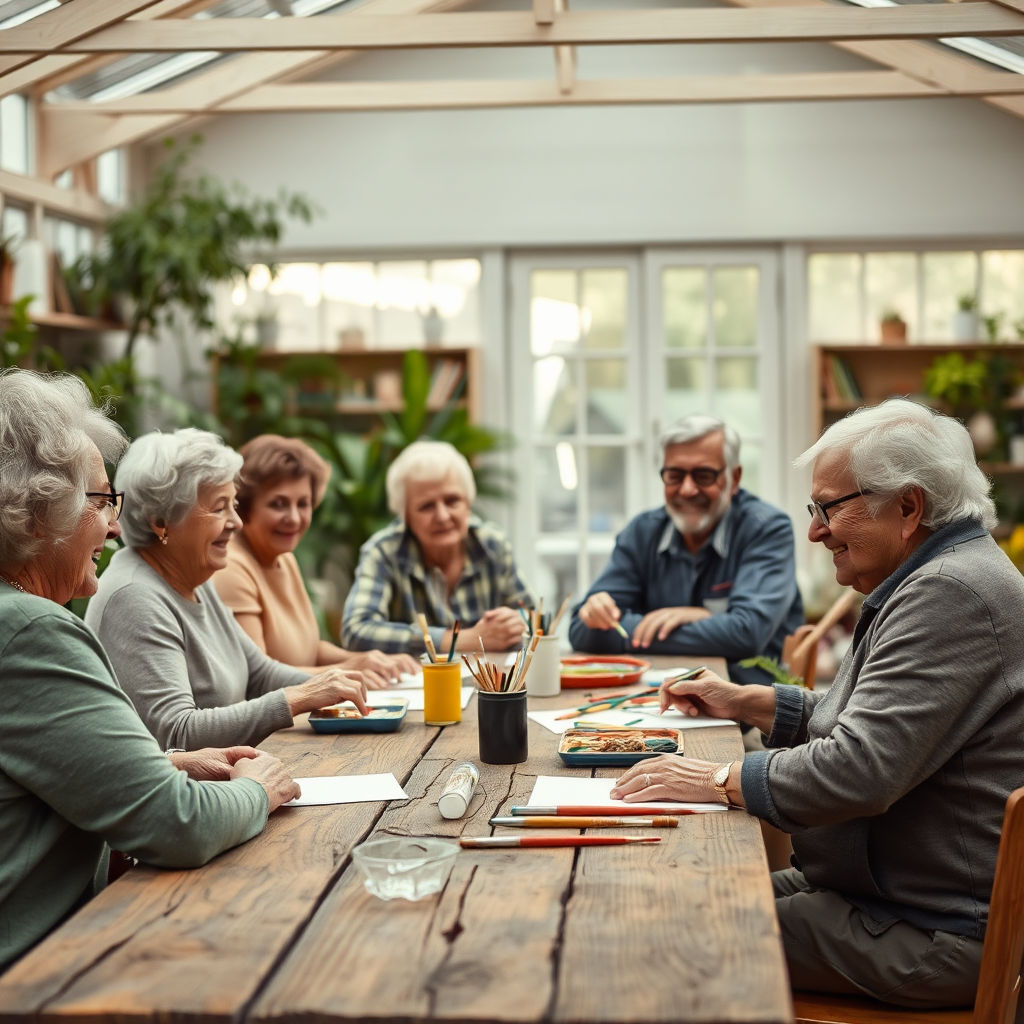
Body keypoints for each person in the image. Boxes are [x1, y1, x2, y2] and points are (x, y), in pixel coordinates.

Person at [610, 399, 1024, 1009]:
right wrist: (751, 703)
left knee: (668, 926)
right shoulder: (940, 574)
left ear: (908, 507)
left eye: (830, 507)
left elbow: (859, 768)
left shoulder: (949, 592)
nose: (815, 529)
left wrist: (717, 777)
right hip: (884, 892)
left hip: (933, 928)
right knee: (674, 887)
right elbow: (869, 720)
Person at [0, 369, 300, 972]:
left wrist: (159, 763)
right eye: (101, 501)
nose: (116, 525)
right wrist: (257, 792)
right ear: (36, 515)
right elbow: (176, 823)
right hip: (37, 972)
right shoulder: (30, 632)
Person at [86, 428, 369, 751]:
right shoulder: (134, 596)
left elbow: (260, 672)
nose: (236, 522)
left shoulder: (195, 577)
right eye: (219, 508)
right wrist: (298, 698)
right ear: (161, 521)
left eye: (233, 505)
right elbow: (176, 733)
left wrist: (334, 684)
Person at [569, 415, 803, 687]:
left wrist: (632, 629)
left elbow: (747, 634)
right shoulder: (642, 532)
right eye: (675, 475)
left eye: (703, 475)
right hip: (656, 699)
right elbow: (582, 630)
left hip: (745, 706)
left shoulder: (767, 529)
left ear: (734, 478)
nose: (687, 489)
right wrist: (716, 623)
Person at [214, 435, 419, 688]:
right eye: (278, 504)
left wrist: (364, 660)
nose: (294, 518)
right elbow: (258, 677)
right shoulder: (231, 568)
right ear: (245, 506)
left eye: (303, 504)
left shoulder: (284, 558)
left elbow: (307, 649)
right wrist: (347, 670)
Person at [342, 440, 534, 656]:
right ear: (405, 515)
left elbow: (534, 617)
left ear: (468, 503)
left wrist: (517, 622)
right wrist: (460, 639)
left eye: (452, 500)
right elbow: (355, 631)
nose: (442, 517)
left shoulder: (492, 544)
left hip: (492, 685)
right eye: (426, 506)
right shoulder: (384, 552)